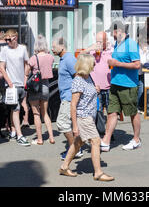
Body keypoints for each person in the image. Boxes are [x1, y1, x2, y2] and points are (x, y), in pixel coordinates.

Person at [59, 54, 114, 182]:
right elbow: (73, 105)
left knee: (78, 142)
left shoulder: (87, 77)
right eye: (93, 63)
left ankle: (64, 166)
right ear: (86, 64)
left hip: (89, 116)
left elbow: (87, 93)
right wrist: (75, 126)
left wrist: (96, 90)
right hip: (83, 117)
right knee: (96, 141)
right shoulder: (78, 80)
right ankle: (98, 173)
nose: (95, 65)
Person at [101, 20, 142, 152]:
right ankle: (106, 141)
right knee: (112, 112)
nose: (111, 35)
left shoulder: (131, 44)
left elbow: (137, 65)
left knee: (132, 113)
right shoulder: (118, 44)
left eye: (112, 32)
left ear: (118, 31)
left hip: (128, 85)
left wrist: (117, 64)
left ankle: (136, 139)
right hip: (115, 83)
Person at [52, 37, 83, 160]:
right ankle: (75, 147)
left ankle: (75, 149)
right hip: (66, 97)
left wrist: (75, 96)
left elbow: (78, 76)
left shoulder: (69, 59)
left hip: (69, 98)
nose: (52, 49)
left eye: (54, 47)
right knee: (69, 125)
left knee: (62, 123)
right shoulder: (63, 59)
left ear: (62, 47)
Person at [0, 29, 30, 146]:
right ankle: (20, 135)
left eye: (8, 39)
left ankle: (13, 131)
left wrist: (26, 78)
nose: (7, 41)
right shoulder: (5, 50)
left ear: (15, 38)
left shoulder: (22, 49)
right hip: (11, 86)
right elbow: (2, 67)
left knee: (14, 109)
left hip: (21, 84)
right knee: (16, 109)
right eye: (5, 39)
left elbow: (27, 63)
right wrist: (10, 83)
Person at [27, 34, 55, 145]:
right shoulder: (50, 57)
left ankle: (39, 139)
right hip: (45, 86)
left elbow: (26, 71)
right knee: (45, 113)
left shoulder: (33, 58)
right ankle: (51, 137)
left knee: (36, 114)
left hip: (35, 87)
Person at [84, 31, 113, 113]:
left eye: (100, 42)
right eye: (97, 41)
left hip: (109, 87)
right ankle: (99, 126)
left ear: (106, 41)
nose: (98, 44)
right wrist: (89, 49)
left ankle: (108, 126)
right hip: (96, 88)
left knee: (111, 112)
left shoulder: (112, 50)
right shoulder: (92, 51)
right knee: (97, 111)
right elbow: (79, 57)